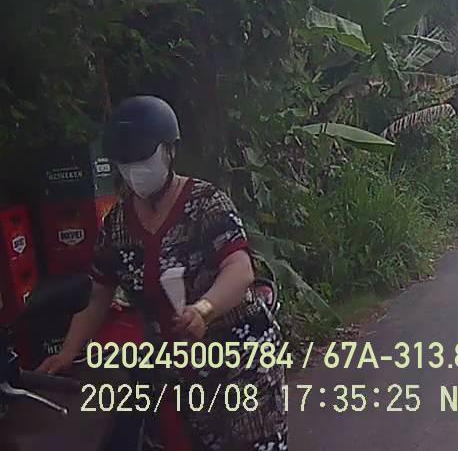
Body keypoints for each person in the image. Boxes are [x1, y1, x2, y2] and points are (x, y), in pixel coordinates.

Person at [37, 95, 288, 451]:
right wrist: (67, 353)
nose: (136, 170)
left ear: (170, 151)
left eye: (144, 158)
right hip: (181, 370)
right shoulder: (117, 226)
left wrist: (203, 310)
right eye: (126, 163)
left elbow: (239, 268)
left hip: (242, 359)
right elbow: (98, 293)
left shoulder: (206, 203)